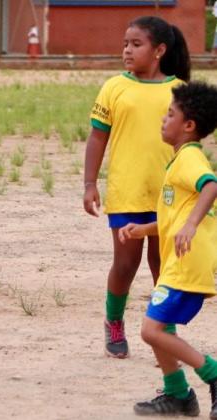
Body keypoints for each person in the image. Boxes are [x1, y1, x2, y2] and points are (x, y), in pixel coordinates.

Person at [83, 16, 190, 359]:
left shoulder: (179, 91)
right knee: (126, 265)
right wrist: (89, 183)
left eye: (136, 44)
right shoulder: (114, 87)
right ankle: (114, 320)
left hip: (168, 195)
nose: (127, 50)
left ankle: (164, 330)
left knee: (164, 266)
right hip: (127, 192)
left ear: (159, 50)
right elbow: (98, 137)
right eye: (125, 44)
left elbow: (188, 146)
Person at [118, 81, 217, 417]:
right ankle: (178, 395)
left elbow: (211, 185)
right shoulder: (177, 162)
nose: (163, 119)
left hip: (186, 264)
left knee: (151, 330)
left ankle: (213, 375)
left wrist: (190, 225)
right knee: (161, 328)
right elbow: (170, 220)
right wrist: (141, 230)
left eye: (170, 114)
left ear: (188, 126)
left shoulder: (189, 158)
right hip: (178, 261)